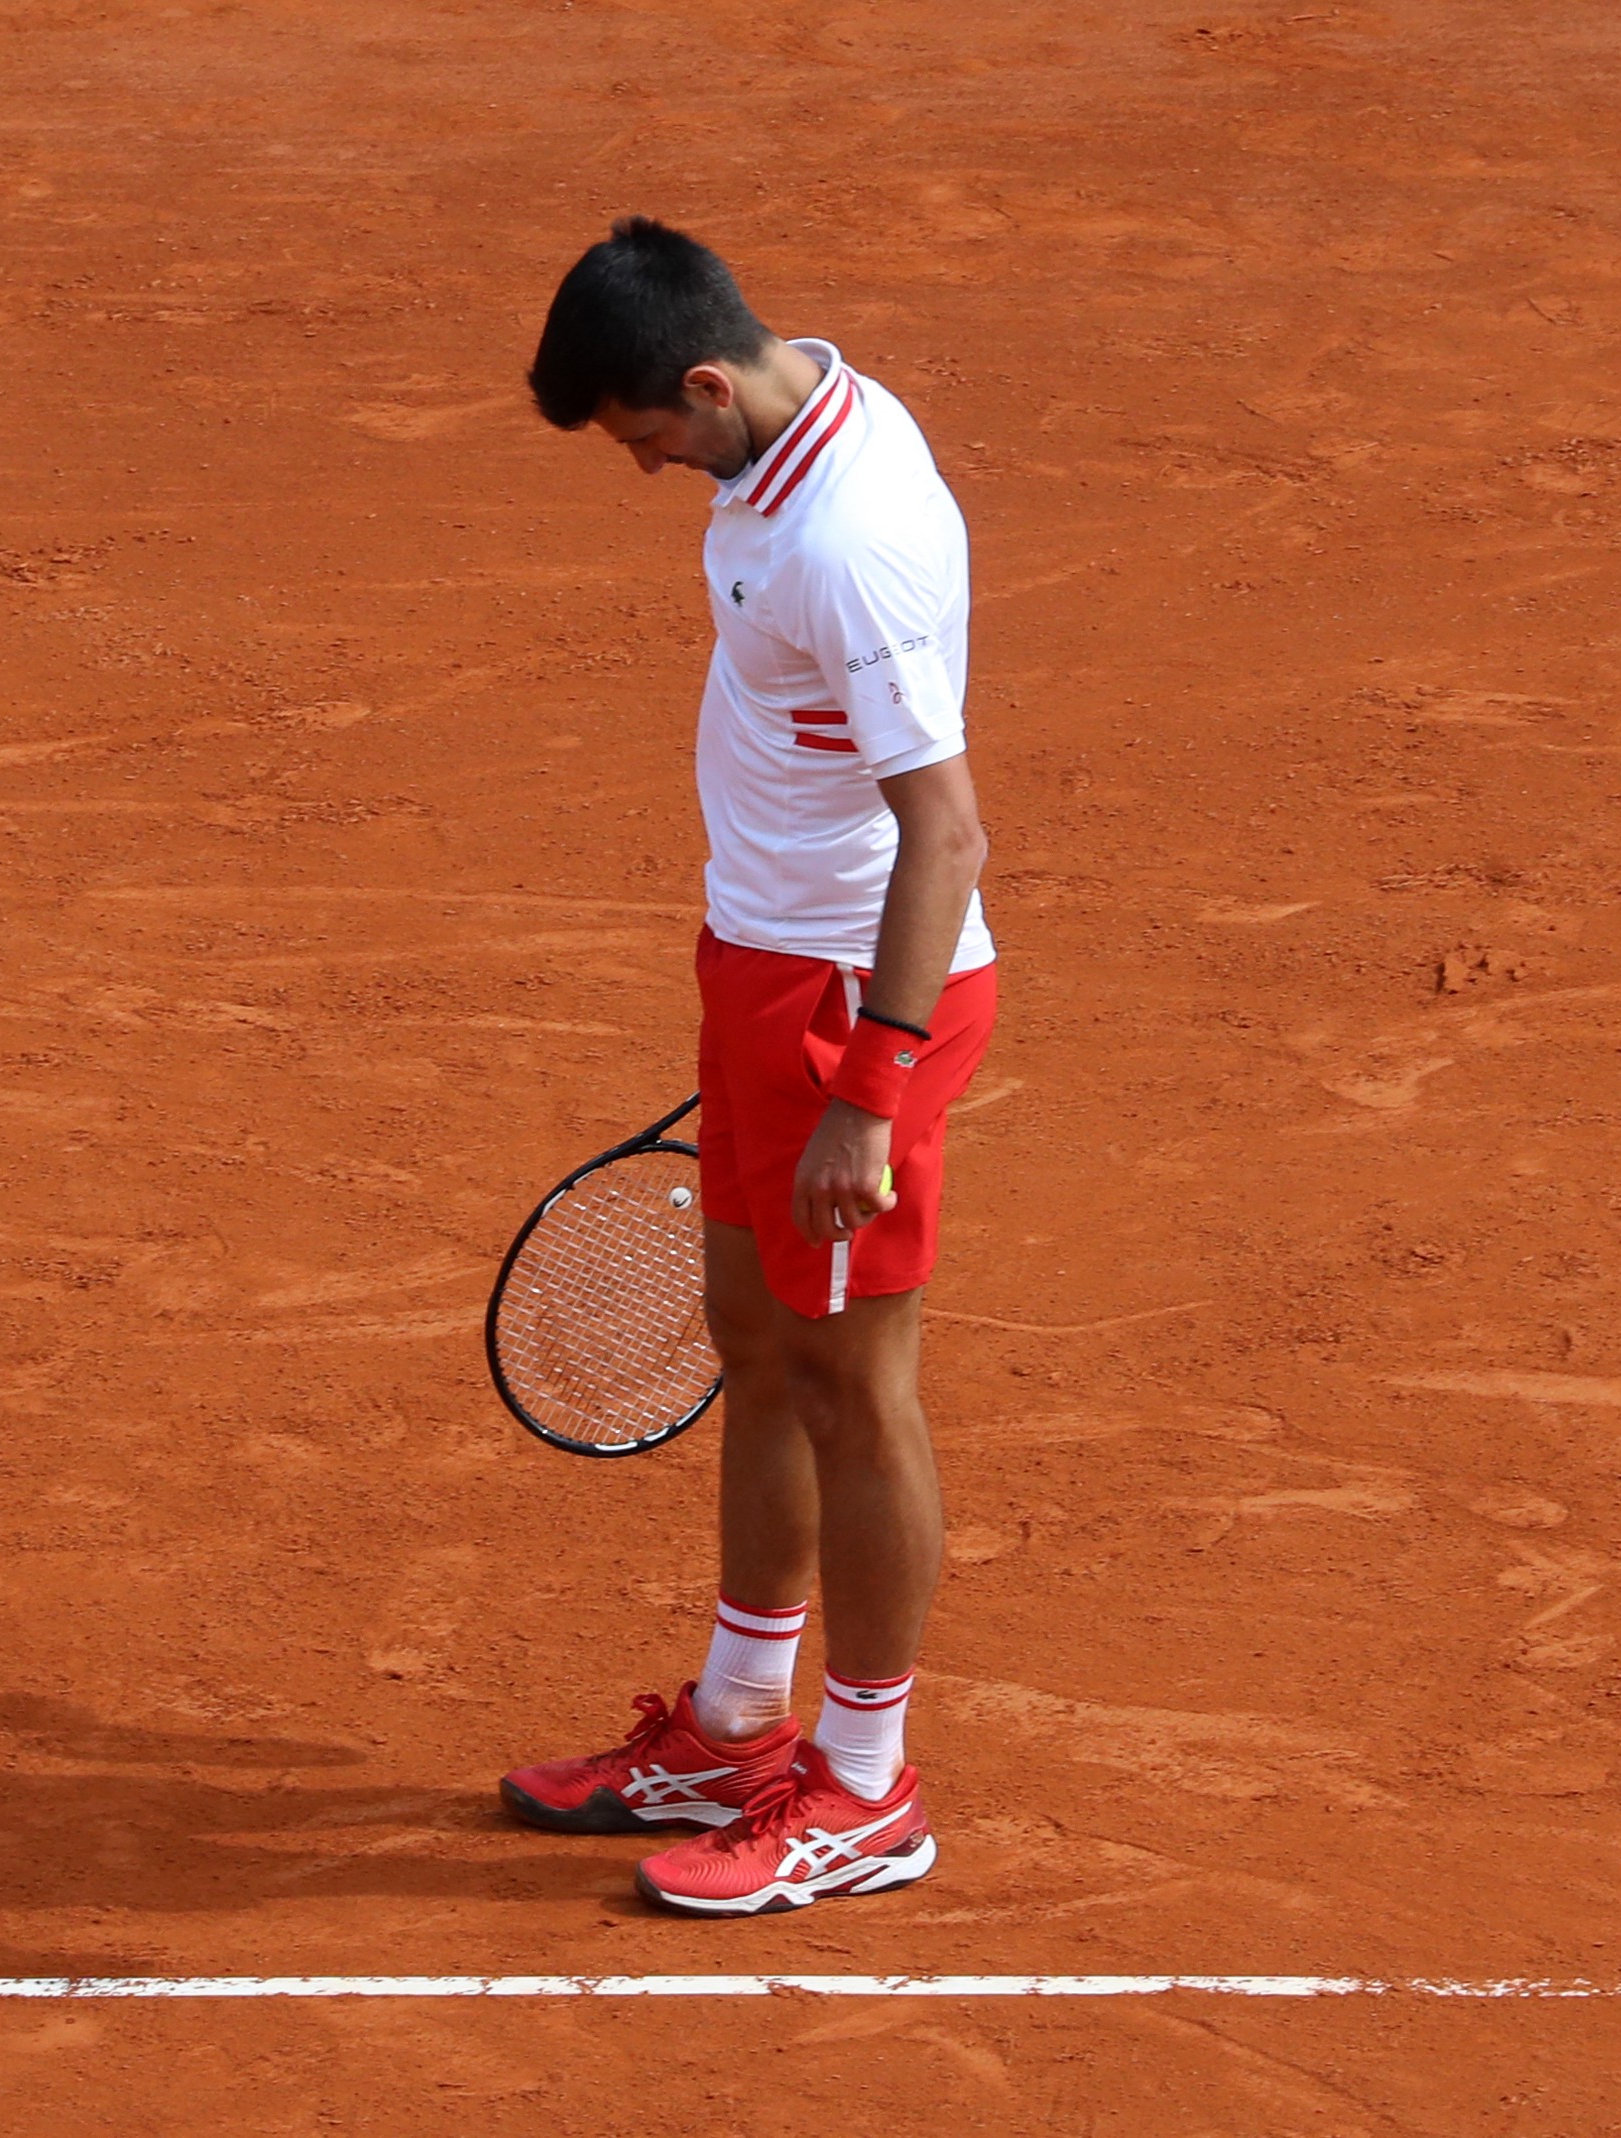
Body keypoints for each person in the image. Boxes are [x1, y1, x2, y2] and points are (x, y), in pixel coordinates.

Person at [498, 217, 998, 1917]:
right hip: (762, 966)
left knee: (855, 1383)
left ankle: (866, 1786)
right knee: (753, 1342)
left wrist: (871, 1082)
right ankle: (732, 1726)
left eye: (647, 441)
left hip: (856, 994)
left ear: (707, 382)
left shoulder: (843, 543)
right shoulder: (801, 419)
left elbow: (945, 832)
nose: (646, 472)